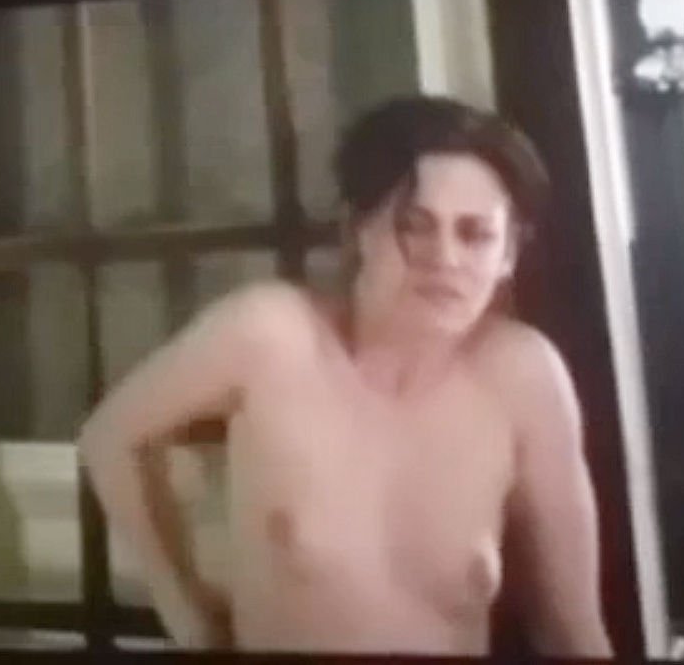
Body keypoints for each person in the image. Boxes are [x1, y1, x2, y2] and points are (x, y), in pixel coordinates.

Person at [77, 95, 613, 657]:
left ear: (508, 255)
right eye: (414, 226)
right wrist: (187, 614)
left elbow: (573, 629)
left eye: (475, 234)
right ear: (357, 228)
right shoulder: (272, 335)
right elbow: (108, 436)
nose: (445, 258)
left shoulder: (523, 377)